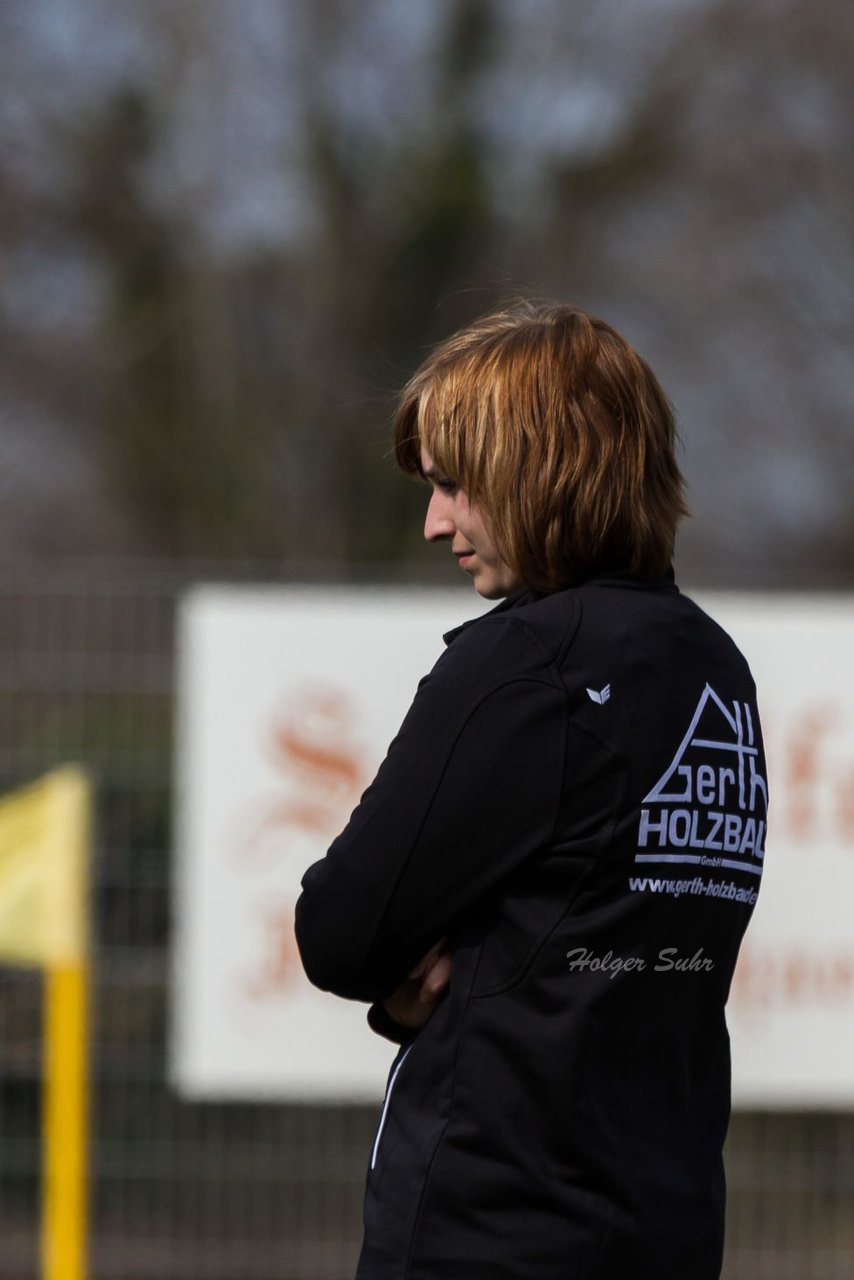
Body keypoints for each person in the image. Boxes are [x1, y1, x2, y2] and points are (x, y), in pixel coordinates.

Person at [294, 302, 768, 1280]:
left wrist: (405, 983)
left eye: (452, 485)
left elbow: (338, 929)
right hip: (666, 1224)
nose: (433, 522)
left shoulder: (524, 665)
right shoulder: (713, 667)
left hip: (495, 1227)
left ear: (533, 469)